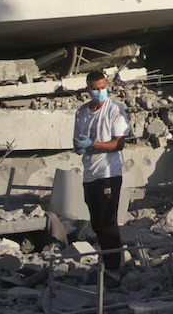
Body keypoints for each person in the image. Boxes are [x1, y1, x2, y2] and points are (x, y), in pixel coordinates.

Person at [73, 71, 130, 280]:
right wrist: (80, 147)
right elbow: (78, 139)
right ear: (88, 88)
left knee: (108, 221)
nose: (99, 92)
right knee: (96, 223)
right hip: (90, 173)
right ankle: (107, 262)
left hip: (108, 172)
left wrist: (94, 144)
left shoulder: (114, 109)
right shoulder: (81, 112)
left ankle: (115, 269)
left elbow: (119, 143)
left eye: (102, 87)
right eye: (95, 88)